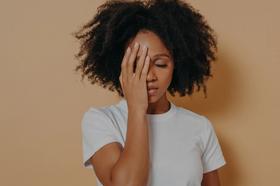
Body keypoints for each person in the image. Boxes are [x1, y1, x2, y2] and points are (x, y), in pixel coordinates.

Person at [73, 0, 226, 185]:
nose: (149, 75)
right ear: (120, 64)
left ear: (177, 65)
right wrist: (137, 108)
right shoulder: (101, 120)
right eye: (137, 64)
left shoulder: (200, 127)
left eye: (160, 64)